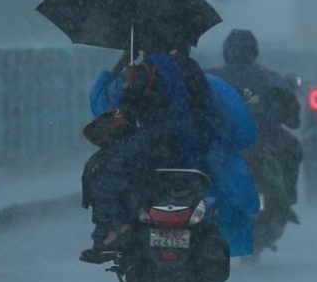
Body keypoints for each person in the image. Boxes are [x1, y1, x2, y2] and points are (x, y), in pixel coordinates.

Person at [87, 48, 259, 257]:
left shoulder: (136, 76)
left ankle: (117, 229)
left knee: (98, 173)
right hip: (196, 165)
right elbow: (245, 133)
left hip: (148, 161)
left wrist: (122, 64)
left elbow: (99, 104)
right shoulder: (207, 82)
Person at [209, 29, 303, 206]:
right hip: (265, 144)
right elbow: (294, 121)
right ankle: (289, 196)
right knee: (294, 148)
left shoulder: (211, 79)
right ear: (254, 51)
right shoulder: (272, 80)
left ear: (226, 52)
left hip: (226, 144)